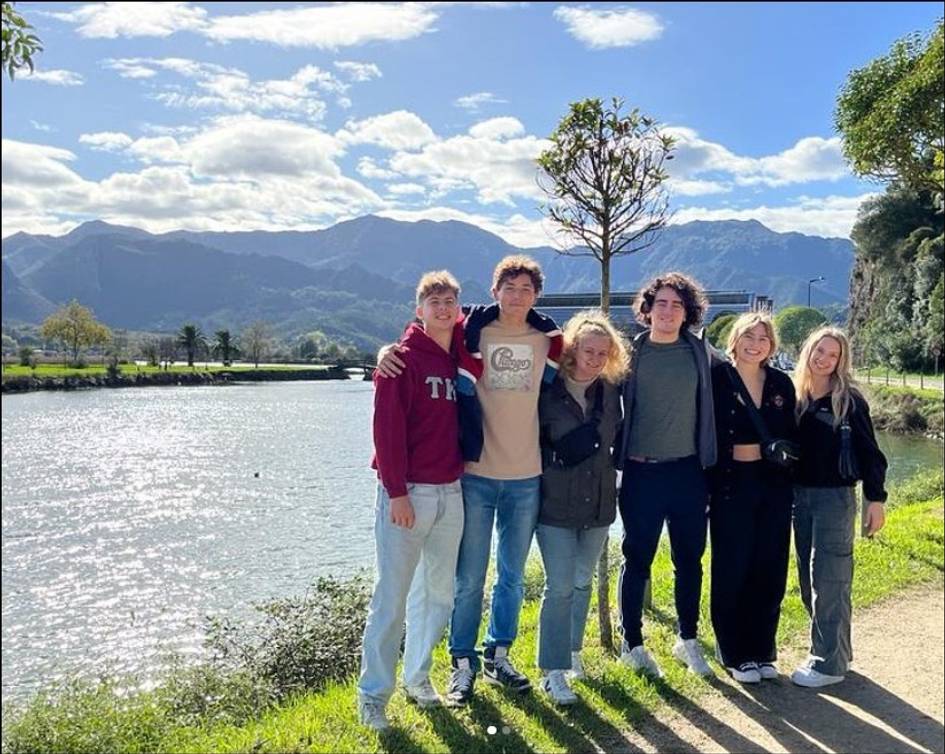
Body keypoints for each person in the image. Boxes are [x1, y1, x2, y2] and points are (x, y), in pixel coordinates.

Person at [376, 255, 562, 706]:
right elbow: (423, 333)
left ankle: (499, 653)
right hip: (474, 477)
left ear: (536, 295)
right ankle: (462, 664)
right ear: (494, 291)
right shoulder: (470, 332)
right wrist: (386, 352)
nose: (517, 297)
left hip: (526, 475)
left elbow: (588, 362)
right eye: (509, 288)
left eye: (526, 289)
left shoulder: (548, 340)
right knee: (467, 578)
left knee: (512, 576)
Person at [357, 271, 466, 731]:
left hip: (452, 492)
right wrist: (397, 492)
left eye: (449, 301)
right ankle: (373, 696)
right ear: (418, 309)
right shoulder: (400, 361)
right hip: (409, 495)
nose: (442, 307)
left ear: (458, 310)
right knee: (392, 599)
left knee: (438, 595)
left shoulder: (460, 355)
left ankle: (418, 678)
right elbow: (386, 431)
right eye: (433, 300)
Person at [616, 272, 717, 678]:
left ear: (688, 313)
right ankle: (632, 643)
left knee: (689, 560)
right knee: (636, 558)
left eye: (677, 305)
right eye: (661, 303)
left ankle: (687, 639)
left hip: (689, 471)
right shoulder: (627, 356)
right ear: (646, 309)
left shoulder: (702, 355)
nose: (668, 311)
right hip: (641, 473)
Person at [535, 311, 628, 705]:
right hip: (554, 501)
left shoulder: (611, 392)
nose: (594, 358)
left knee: (582, 581)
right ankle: (552, 671)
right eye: (587, 350)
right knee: (558, 586)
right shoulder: (547, 386)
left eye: (602, 353)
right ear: (571, 348)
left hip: (599, 501)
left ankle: (572, 653)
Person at [791, 326, 887, 688]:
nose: (824, 359)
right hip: (800, 498)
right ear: (808, 351)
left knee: (830, 579)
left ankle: (828, 664)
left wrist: (875, 500)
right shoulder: (797, 396)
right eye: (820, 350)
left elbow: (872, 455)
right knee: (808, 580)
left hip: (835, 498)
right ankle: (837, 652)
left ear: (841, 361)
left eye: (833, 355)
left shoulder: (848, 401)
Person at [709, 313, 797, 684]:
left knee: (770, 566)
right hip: (731, 484)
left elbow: (794, 434)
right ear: (735, 339)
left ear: (771, 345)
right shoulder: (717, 380)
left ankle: (762, 649)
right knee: (732, 566)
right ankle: (733, 652)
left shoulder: (780, 383)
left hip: (773, 486)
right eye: (749, 335)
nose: (755, 342)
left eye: (763, 337)